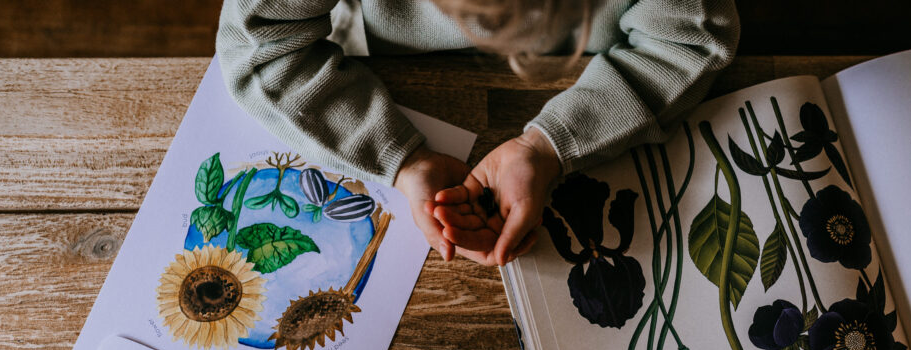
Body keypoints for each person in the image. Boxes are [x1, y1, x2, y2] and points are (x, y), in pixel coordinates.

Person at [217, 0, 739, 266]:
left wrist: (555, 141)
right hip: (375, 45)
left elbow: (686, 37)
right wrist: (397, 158)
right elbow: (261, 47)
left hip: (600, 47)